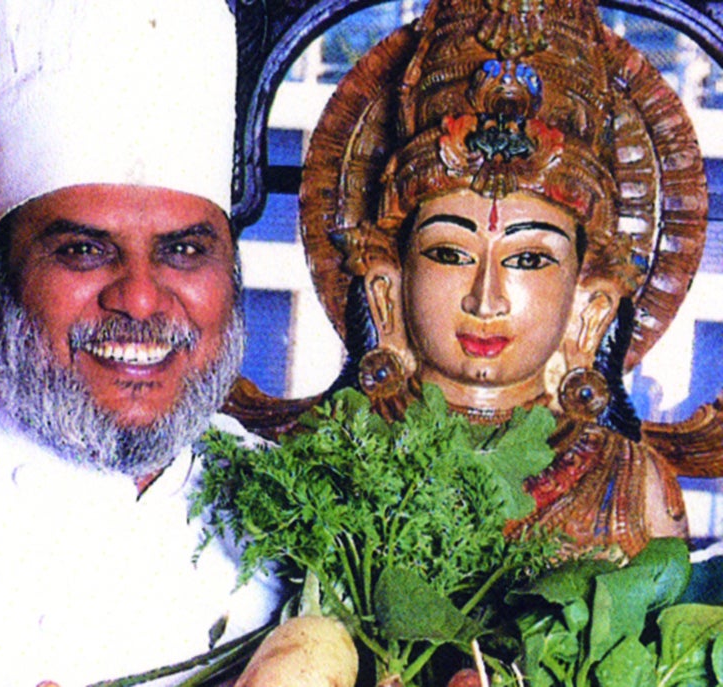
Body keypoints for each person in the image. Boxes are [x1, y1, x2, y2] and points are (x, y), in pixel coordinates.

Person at [231, 0, 723, 558]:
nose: (485, 299)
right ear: (386, 291)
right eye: (450, 253)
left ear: (592, 308)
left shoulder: (631, 488)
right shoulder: (325, 464)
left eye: (529, 259)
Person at [0, 1, 282, 685]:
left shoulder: (303, 511)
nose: (140, 299)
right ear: (1, 280)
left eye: (183, 250)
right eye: (84, 250)